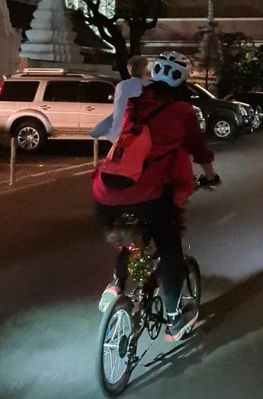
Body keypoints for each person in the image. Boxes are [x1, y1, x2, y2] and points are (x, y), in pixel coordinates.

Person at [93, 51, 218, 341]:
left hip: (105, 190)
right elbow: (199, 151)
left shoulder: (134, 103)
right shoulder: (183, 112)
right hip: (147, 194)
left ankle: (116, 285)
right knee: (170, 248)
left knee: (131, 234)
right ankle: (174, 319)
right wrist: (211, 176)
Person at [90, 55, 150, 144]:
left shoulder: (121, 86)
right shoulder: (148, 87)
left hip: (117, 135)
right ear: (144, 70)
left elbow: (118, 110)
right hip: (136, 135)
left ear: (129, 70)